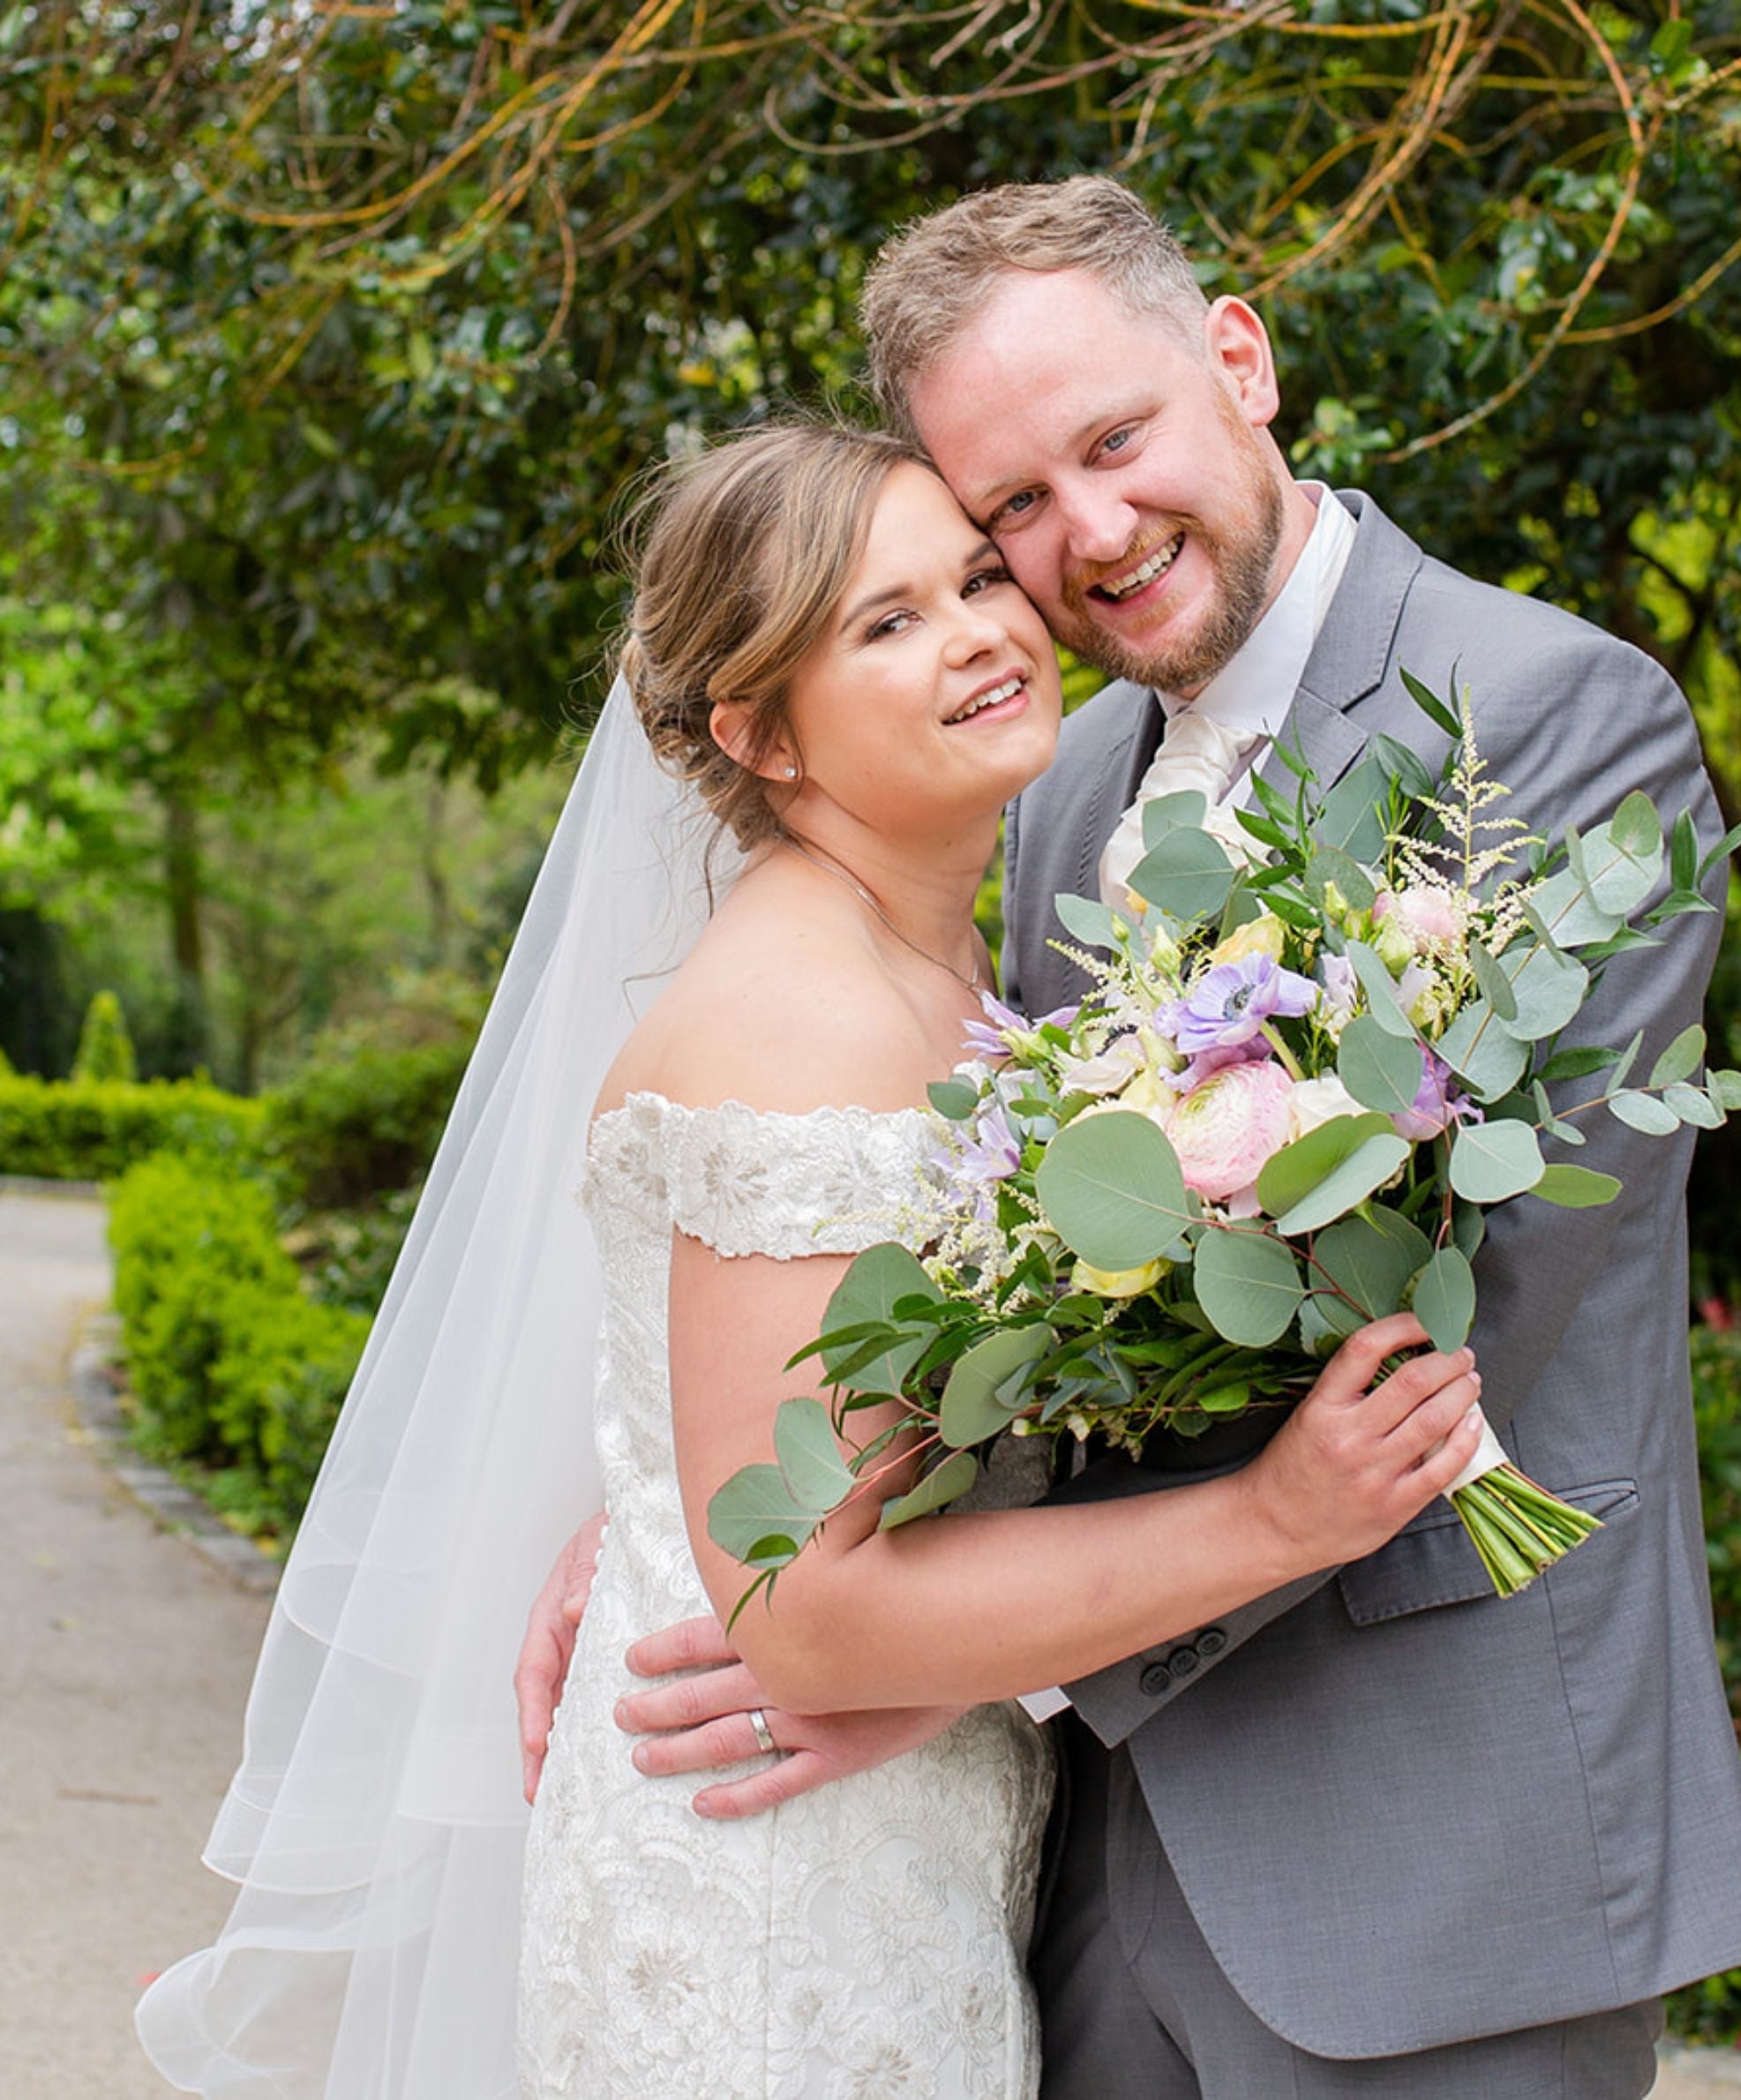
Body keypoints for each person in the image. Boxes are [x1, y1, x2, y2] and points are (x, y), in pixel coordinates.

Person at [524, 180, 1741, 2097]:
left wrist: (921, 1655)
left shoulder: (1547, 722)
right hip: (1078, 1898)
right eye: (1010, 505)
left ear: (1240, 360)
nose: (1085, 535)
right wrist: (705, 1503)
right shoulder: (1050, 786)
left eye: (1112, 442)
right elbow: (974, 1277)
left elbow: (1448, 1339)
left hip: (1433, 1860)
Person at [138, 418, 1490, 2098]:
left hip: (902, 1845)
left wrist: (641, 1506)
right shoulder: (801, 1027)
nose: (985, 632)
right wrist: (1272, 1516)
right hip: (774, 1900)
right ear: (757, 732)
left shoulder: (959, 976)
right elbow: (803, 1611)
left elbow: (795, 1456)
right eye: (886, 622)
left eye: (980, 577)